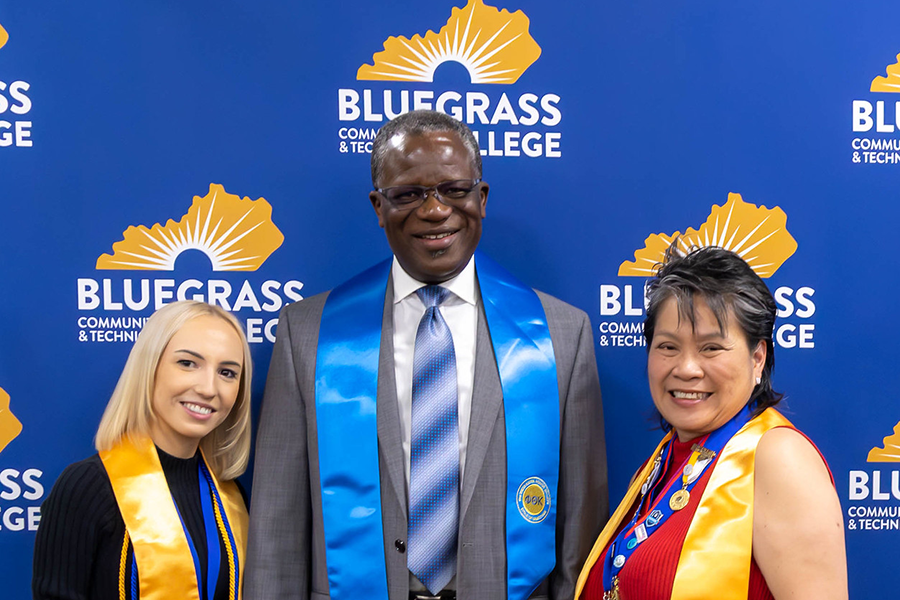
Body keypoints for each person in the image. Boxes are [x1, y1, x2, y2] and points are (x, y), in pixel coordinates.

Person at [244, 109, 608, 600]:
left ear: (481, 197)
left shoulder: (560, 334)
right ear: (378, 205)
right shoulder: (308, 334)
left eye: (455, 190)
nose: (435, 210)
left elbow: (579, 538)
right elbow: (277, 534)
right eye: (408, 194)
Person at [576, 245, 847, 600]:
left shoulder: (777, 457)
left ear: (757, 358)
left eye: (711, 348)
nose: (686, 368)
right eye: (668, 347)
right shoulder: (663, 463)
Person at [33, 300, 253, 600]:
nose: (208, 388)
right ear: (150, 368)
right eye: (187, 363)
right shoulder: (89, 487)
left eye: (227, 372)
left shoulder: (230, 496)